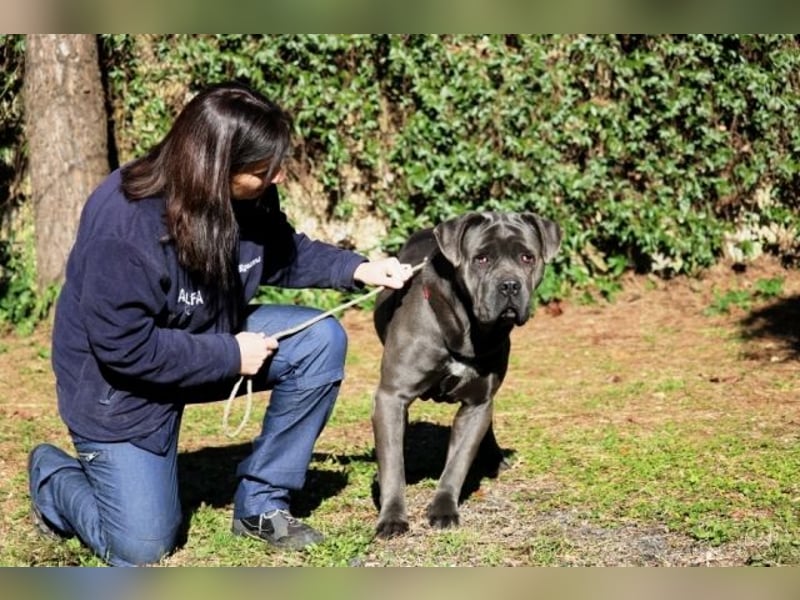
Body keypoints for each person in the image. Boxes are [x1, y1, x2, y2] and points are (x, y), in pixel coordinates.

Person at [27, 81, 413, 566]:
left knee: (318, 341)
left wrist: (358, 269)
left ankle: (261, 503)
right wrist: (231, 355)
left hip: (208, 335)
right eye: (261, 170)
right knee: (142, 549)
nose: (277, 178)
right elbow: (124, 349)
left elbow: (279, 254)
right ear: (216, 169)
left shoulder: (248, 200)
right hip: (120, 390)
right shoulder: (124, 223)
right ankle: (51, 476)